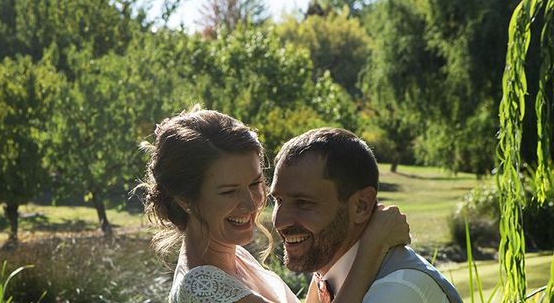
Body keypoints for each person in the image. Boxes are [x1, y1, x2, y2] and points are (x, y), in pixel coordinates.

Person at [140, 108, 411, 303]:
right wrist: (372, 247)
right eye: (229, 191)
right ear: (185, 199)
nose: (251, 203)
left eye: (255, 184)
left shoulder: (236, 258)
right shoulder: (202, 288)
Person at [270, 127, 463, 303]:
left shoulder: (397, 291)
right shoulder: (333, 271)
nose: (280, 222)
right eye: (278, 200)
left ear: (361, 206)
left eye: (303, 203)